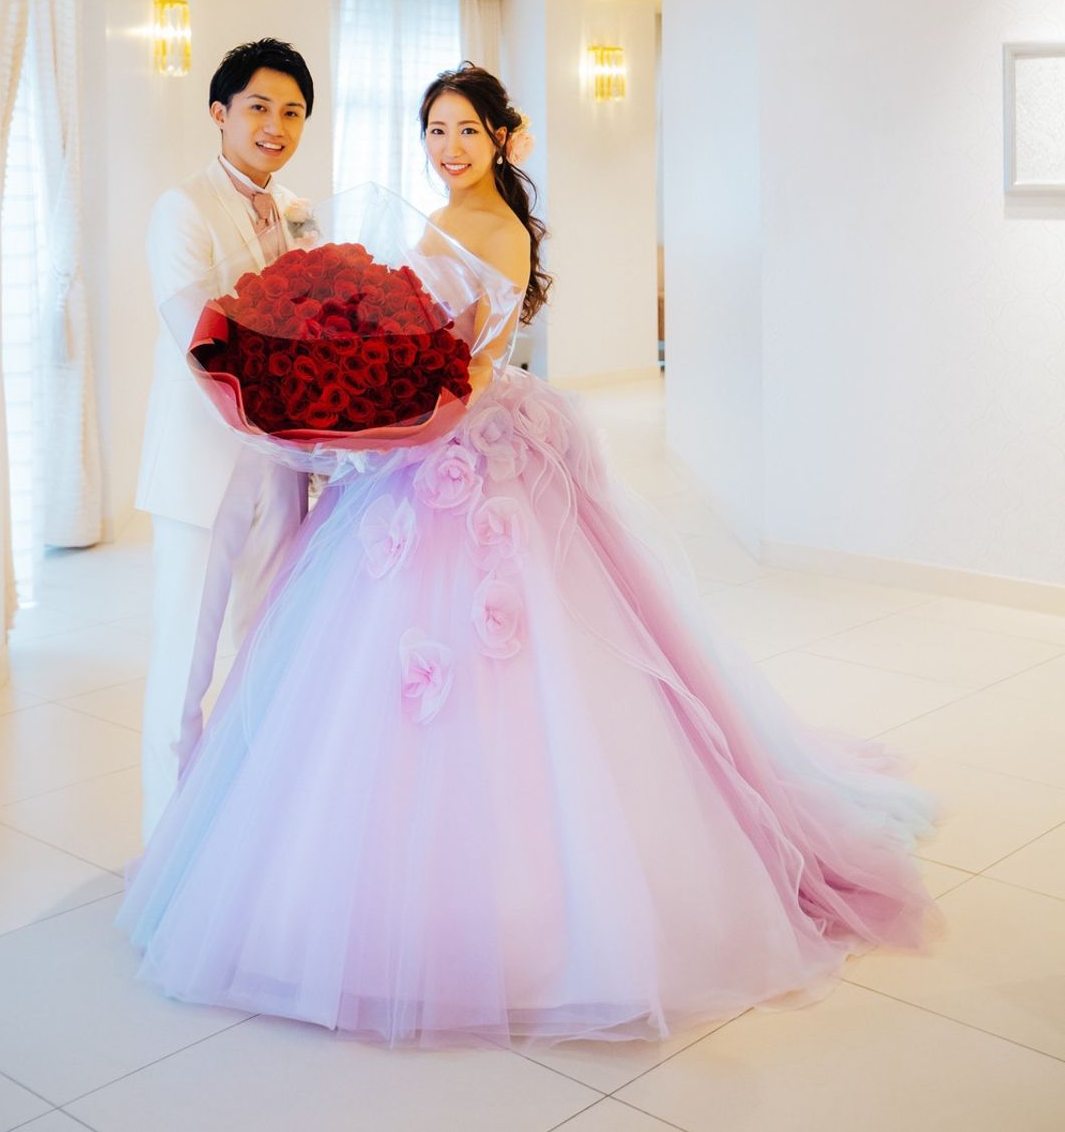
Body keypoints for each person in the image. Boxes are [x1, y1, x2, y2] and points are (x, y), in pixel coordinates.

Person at [120, 63, 946, 1045]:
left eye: (466, 130)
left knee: (491, 670)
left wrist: (385, 413)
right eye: (434, 129)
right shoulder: (296, 212)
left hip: (453, 441)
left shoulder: (490, 227)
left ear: (501, 139)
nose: (448, 147)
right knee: (261, 662)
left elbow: (461, 366)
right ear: (223, 112)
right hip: (355, 447)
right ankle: (193, 840)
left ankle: (495, 903)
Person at [136, 36, 315, 840]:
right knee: (186, 661)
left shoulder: (300, 211)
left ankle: (242, 839)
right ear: (220, 112)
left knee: (266, 650)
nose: (276, 126)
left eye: (293, 112)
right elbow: (201, 338)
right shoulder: (181, 207)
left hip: (282, 467)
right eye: (259, 107)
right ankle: (167, 846)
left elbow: (324, 324)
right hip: (203, 465)